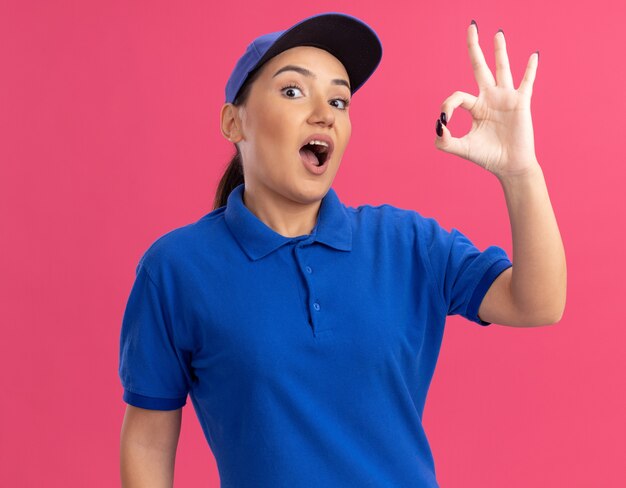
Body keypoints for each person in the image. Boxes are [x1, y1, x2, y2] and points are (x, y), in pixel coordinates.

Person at [119, 12, 566, 488]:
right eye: (293, 91)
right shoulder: (176, 270)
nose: (324, 113)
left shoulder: (407, 243)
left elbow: (538, 302)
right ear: (234, 122)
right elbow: (148, 440)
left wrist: (521, 173)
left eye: (339, 99)